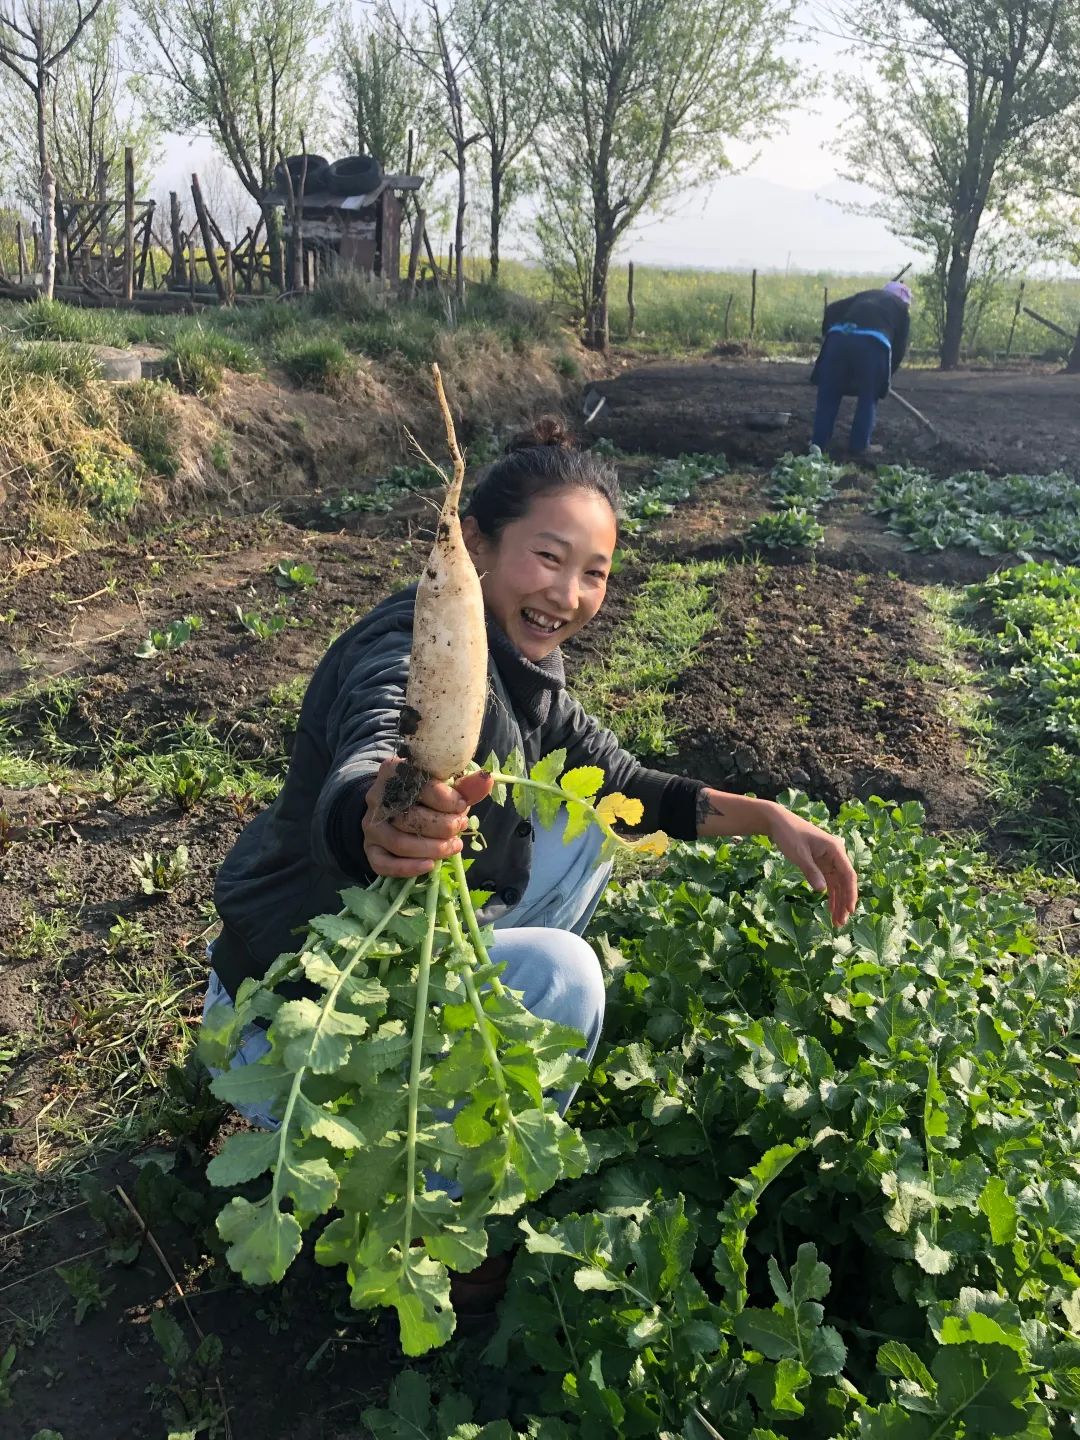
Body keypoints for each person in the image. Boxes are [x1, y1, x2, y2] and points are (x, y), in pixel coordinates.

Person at [203, 421, 860, 1293]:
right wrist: (380, 818)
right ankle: (440, 1222)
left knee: (589, 818)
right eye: (547, 558)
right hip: (293, 1029)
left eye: (594, 573)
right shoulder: (402, 644)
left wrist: (769, 817)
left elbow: (631, 786)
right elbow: (373, 741)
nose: (570, 594)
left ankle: (433, 1072)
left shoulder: (523, 676)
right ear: (474, 545)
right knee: (567, 976)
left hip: (349, 999)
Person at [810, 280, 912, 457]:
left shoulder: (865, 295)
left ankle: (818, 443)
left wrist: (829, 332)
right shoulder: (901, 309)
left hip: (838, 338)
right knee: (868, 396)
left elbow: (831, 309)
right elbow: (899, 348)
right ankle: (859, 445)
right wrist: (886, 376)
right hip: (873, 343)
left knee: (829, 394)